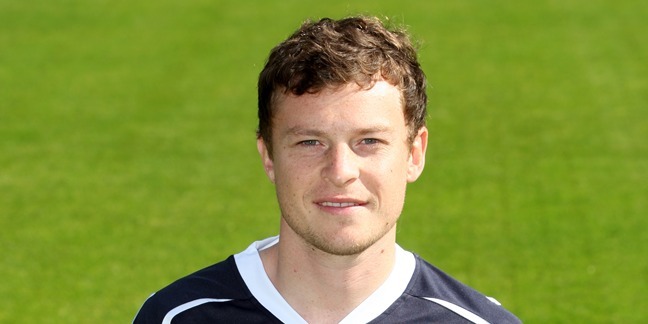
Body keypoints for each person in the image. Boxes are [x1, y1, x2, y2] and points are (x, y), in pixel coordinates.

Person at [133, 16, 521, 323]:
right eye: (310, 142)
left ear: (414, 154)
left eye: (369, 141)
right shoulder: (177, 316)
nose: (340, 171)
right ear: (268, 156)